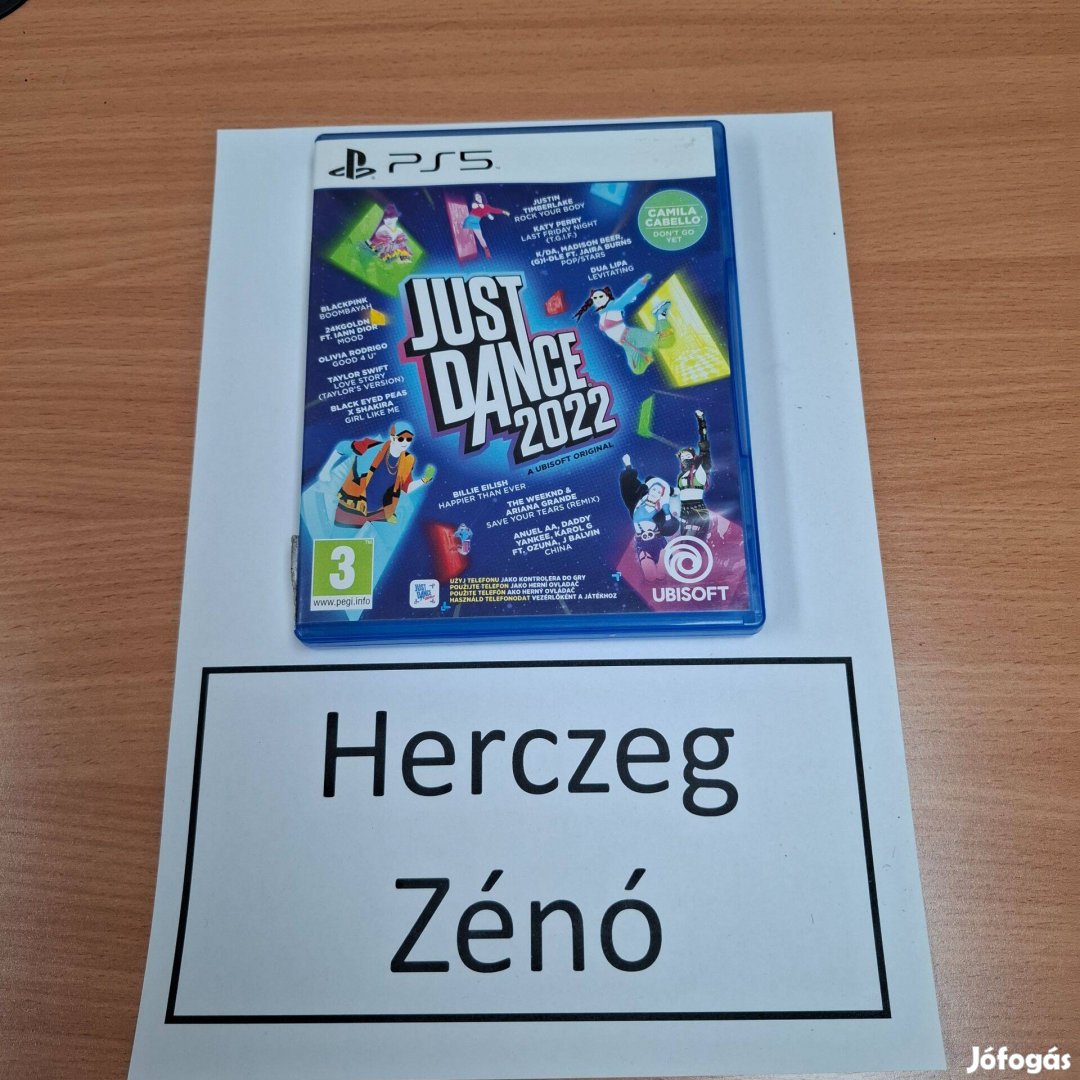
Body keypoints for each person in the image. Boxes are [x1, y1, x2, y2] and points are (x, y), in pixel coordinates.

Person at [331, 419, 435, 527]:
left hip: (379, 513)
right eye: (401, 438)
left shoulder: (408, 460)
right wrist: (325, 472)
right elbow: (342, 447)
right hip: (352, 506)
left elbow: (406, 488)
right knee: (339, 536)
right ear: (392, 437)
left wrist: (424, 480)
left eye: (408, 439)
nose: (405, 442)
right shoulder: (371, 446)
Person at [574, 273, 674, 375]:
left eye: (600, 296)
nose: (598, 299)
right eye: (595, 298)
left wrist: (641, 282)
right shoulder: (601, 314)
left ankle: (660, 315)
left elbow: (628, 295)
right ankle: (648, 348)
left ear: (607, 296)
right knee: (637, 369)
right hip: (626, 344)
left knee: (667, 342)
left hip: (631, 336)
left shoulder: (615, 305)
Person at [674, 410, 712, 538]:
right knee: (684, 540)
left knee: (693, 540)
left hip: (697, 510)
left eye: (688, 456)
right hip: (684, 511)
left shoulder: (701, 469)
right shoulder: (681, 476)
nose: (685, 458)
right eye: (682, 457)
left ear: (694, 457)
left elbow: (704, 446)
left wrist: (701, 421)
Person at [463, 192, 510, 258]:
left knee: (480, 237)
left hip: (476, 222)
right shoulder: (474, 204)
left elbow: (495, 210)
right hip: (469, 220)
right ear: (475, 199)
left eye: (479, 196)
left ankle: (487, 251)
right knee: (464, 234)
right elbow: (474, 206)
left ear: (482, 197)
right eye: (476, 197)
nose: (478, 198)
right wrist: (486, 213)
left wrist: (503, 212)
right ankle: (465, 243)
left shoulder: (487, 207)